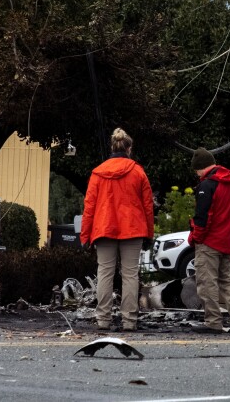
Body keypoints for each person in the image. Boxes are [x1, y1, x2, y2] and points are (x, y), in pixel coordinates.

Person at [81, 128, 154, 332]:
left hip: (104, 228)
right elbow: (148, 205)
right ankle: (129, 320)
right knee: (130, 275)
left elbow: (89, 206)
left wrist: (85, 235)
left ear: (112, 147)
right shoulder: (138, 172)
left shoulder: (98, 173)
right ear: (129, 148)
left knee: (104, 273)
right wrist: (149, 233)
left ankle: (103, 319)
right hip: (132, 228)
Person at [188, 147, 230, 335]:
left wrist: (195, 238)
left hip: (210, 241)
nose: (197, 174)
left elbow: (203, 217)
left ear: (200, 168)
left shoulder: (207, 185)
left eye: (196, 170)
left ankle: (213, 321)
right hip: (226, 240)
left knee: (207, 283)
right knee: (227, 280)